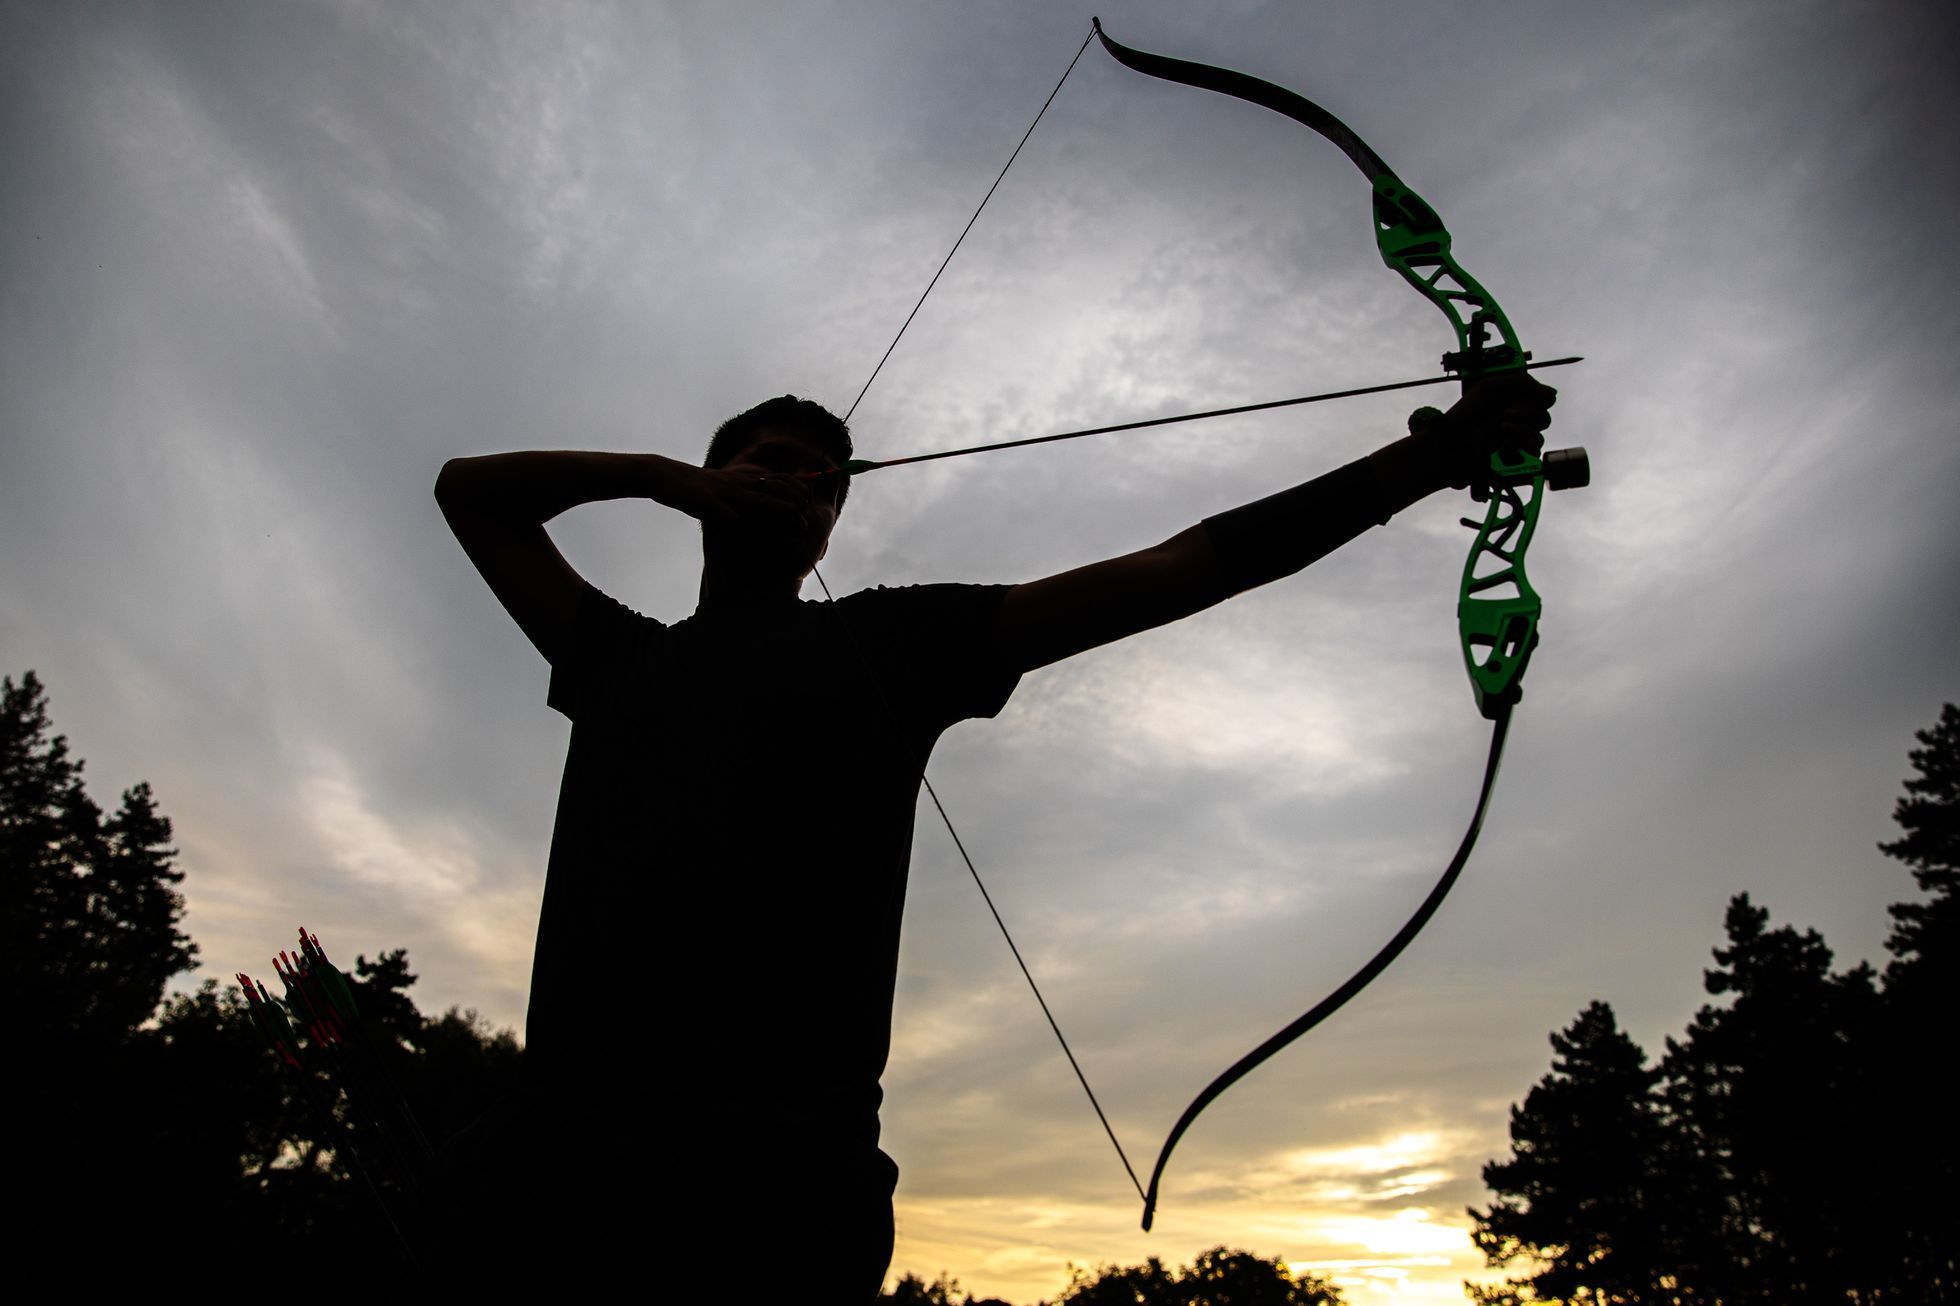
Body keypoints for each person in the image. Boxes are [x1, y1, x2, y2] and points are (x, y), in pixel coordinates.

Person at [424, 380, 1554, 1295]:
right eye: (767, 460)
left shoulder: (899, 639)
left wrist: (1426, 461)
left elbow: (1183, 568)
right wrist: (667, 481)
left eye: (824, 487)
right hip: (560, 1161)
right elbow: (470, 494)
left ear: (832, 531)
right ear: (715, 481)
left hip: (780, 1187)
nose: (798, 485)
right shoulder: (619, 656)